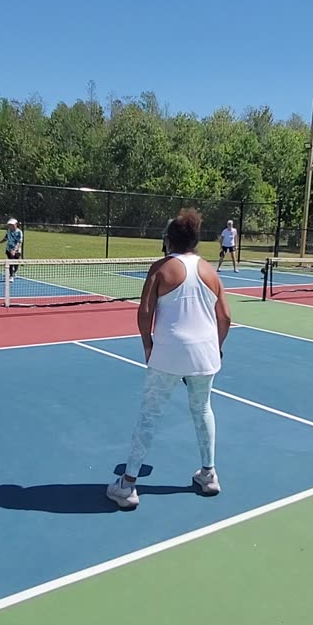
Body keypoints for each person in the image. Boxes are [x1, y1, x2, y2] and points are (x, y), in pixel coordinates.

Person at [107, 208, 233, 510]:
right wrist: (217, 345)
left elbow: (145, 312)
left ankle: (127, 486)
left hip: (168, 352)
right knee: (203, 409)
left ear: (169, 240)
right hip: (205, 353)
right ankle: (209, 474)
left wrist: (148, 345)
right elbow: (225, 316)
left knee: (150, 414)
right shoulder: (210, 271)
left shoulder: (160, 268)